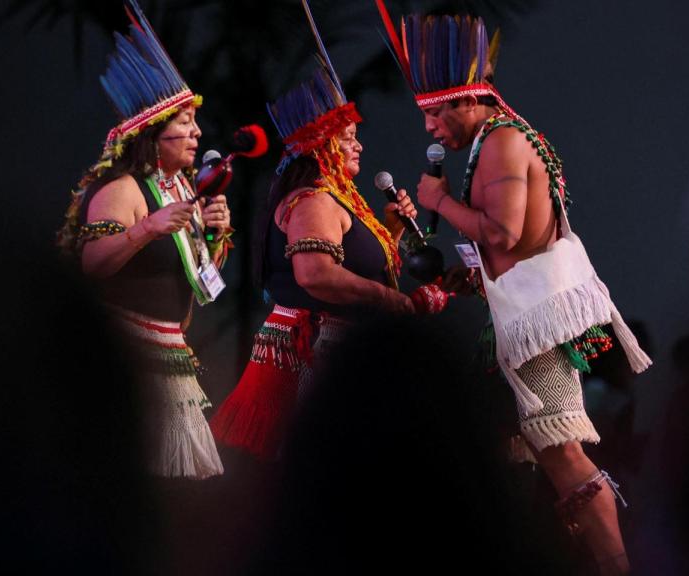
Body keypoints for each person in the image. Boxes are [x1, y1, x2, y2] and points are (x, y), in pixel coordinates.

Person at [376, 7, 652, 574]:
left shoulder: (500, 142)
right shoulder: (492, 142)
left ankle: (616, 566)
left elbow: (501, 230)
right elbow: (517, 245)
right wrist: (474, 278)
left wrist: (439, 203)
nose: (429, 128)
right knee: (533, 452)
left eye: (434, 113)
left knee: (562, 452)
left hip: (534, 328)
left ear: (468, 100)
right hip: (520, 320)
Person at [209, 3, 439, 461]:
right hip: (310, 354)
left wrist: (390, 231)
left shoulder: (336, 198)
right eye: (349, 137)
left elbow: (353, 269)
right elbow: (315, 275)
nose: (359, 145)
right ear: (324, 146)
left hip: (334, 349)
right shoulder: (313, 199)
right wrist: (390, 300)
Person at [57, 0, 231, 480]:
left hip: (172, 346)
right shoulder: (121, 191)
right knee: (139, 477)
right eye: (184, 124)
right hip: (131, 350)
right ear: (152, 136)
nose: (197, 132)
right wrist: (146, 228)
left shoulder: (181, 189)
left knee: (179, 486)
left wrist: (213, 235)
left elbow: (194, 272)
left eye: (194, 123)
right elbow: (93, 265)